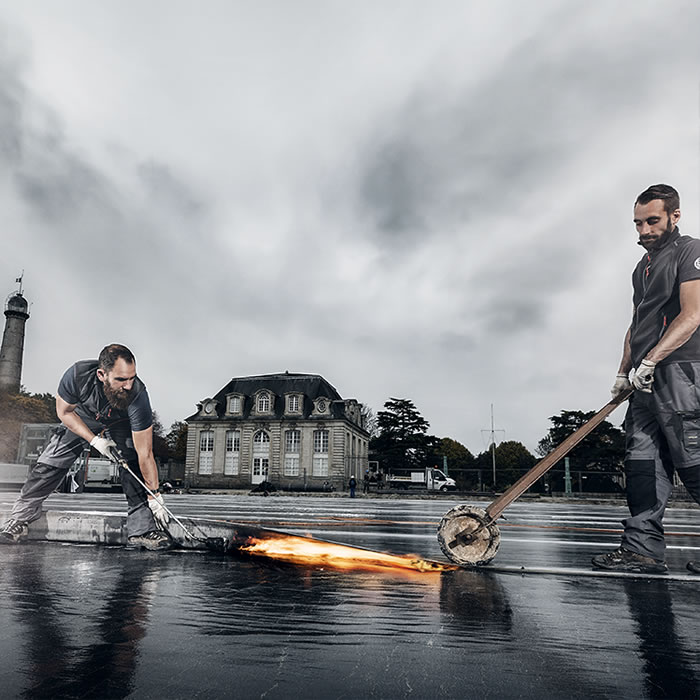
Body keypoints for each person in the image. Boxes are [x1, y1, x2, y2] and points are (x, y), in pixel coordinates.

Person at [592, 184, 700, 574]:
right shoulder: (643, 267)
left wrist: (652, 360)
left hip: (682, 372)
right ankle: (641, 550)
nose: (643, 230)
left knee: (693, 463)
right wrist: (624, 371)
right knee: (642, 464)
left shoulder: (691, 251)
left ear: (675, 215)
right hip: (643, 380)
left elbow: (692, 315)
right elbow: (638, 323)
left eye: (652, 220)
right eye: (638, 223)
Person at [0, 344, 172, 550]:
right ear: (101, 374)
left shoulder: (137, 396)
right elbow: (64, 412)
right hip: (83, 417)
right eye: (120, 380)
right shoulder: (77, 376)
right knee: (51, 461)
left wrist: (155, 495)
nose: (128, 385)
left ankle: (142, 529)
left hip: (121, 422)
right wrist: (94, 440)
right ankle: (20, 518)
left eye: (131, 378)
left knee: (132, 461)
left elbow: (146, 453)